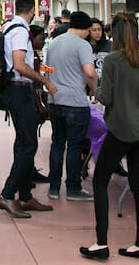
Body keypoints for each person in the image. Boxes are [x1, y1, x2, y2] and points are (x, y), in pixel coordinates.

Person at [82, 13, 139, 262]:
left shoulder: (112, 60)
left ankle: (101, 243)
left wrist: (96, 87)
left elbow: (105, 97)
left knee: (100, 181)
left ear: (117, 34)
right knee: (138, 186)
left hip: (120, 128)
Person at [0, 0, 58, 219]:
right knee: (28, 143)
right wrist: (45, 81)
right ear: (32, 10)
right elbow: (20, 65)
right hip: (18, 90)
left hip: (16, 90)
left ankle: (24, 195)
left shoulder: (11, 28)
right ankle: (7, 193)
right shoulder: (21, 31)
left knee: (24, 141)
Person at [46, 11, 98, 203]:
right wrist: (94, 89)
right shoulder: (83, 45)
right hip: (75, 101)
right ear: (84, 29)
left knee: (57, 144)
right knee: (75, 146)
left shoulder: (54, 42)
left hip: (55, 99)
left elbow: (46, 69)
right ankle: (73, 187)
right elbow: (90, 73)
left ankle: (53, 187)